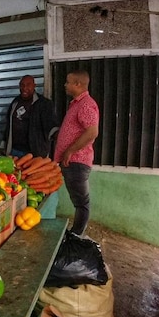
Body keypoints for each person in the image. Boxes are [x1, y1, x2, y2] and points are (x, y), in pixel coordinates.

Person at [54, 69, 99, 236]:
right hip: (72, 162)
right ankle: (76, 233)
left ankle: (76, 235)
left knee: (81, 203)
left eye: (68, 82)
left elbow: (92, 132)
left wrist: (69, 151)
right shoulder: (77, 103)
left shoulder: (86, 104)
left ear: (77, 84)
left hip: (77, 161)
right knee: (79, 201)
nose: (65, 85)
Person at [4, 75, 60, 158]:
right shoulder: (15, 102)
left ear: (34, 86)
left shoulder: (44, 104)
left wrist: (59, 136)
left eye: (28, 85)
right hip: (15, 150)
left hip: (35, 153)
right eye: (22, 85)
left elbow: (50, 124)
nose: (24, 88)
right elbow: (9, 124)